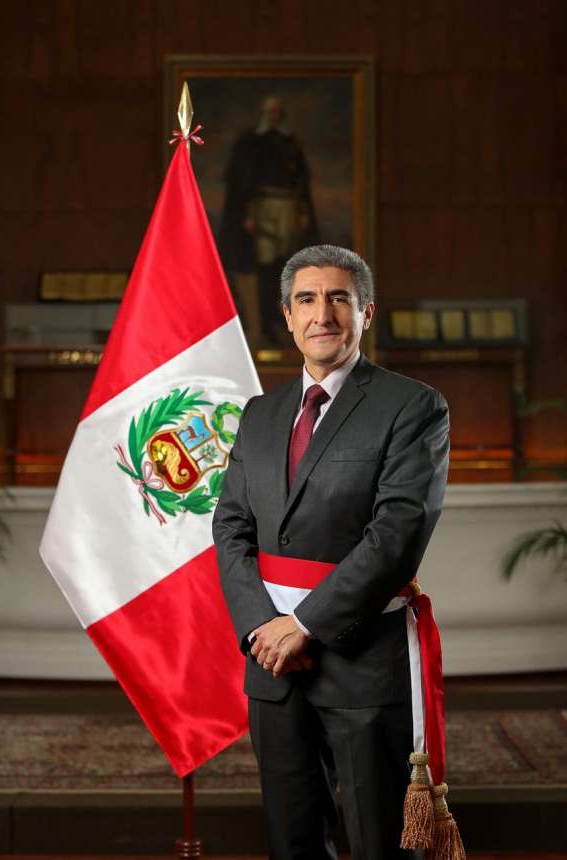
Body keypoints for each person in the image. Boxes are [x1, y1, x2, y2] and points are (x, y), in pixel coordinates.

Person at [212, 244, 449, 860]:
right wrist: (262, 628)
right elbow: (230, 526)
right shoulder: (260, 414)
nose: (323, 314)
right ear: (287, 316)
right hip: (272, 663)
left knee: (376, 841)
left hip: (361, 658)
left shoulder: (412, 406)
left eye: (339, 299)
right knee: (290, 840)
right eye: (307, 300)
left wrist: (304, 625)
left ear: (366, 312)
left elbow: (397, 535)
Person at [219, 95, 318, 344]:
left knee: (283, 262)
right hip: (262, 207)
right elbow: (242, 182)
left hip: (287, 207)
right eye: (270, 112)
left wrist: (302, 211)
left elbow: (301, 182)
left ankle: (276, 320)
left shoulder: (291, 143)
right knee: (264, 262)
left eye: (277, 112)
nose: (274, 117)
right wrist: (249, 213)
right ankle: (262, 323)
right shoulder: (251, 142)